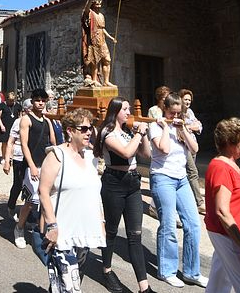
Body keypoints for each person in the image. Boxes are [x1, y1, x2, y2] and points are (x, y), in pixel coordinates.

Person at [38, 107, 106, 292]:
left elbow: (94, 193)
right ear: (70, 131)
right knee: (70, 287)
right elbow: (43, 191)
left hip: (84, 233)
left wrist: (101, 222)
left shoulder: (90, 157)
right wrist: (51, 226)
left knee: (65, 284)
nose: (88, 132)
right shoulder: (56, 155)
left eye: (90, 128)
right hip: (62, 233)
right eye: (83, 128)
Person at [94, 98, 154, 293]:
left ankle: (144, 287)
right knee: (111, 230)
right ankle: (107, 270)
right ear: (115, 111)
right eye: (125, 109)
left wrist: (143, 135)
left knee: (135, 234)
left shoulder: (128, 132)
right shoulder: (107, 133)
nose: (129, 112)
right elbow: (127, 152)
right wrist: (138, 133)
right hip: (114, 182)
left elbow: (146, 154)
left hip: (133, 183)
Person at [149, 93, 207, 288]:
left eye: (178, 113)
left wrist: (183, 130)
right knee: (168, 226)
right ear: (164, 109)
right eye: (172, 113)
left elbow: (195, 148)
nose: (175, 117)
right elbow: (163, 149)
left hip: (181, 179)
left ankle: (192, 272)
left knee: (193, 224)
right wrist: (166, 128)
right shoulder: (155, 126)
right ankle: (166, 270)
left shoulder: (180, 125)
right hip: (162, 177)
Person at [205, 118, 240, 293]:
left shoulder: (229, 164)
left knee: (219, 283)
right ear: (230, 142)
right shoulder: (222, 167)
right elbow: (222, 211)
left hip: (228, 233)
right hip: (227, 234)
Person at [13, 89, 56, 249]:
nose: (40, 103)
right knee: (31, 201)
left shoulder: (47, 121)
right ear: (32, 101)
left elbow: (52, 142)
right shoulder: (26, 119)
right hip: (32, 165)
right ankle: (19, 228)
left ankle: (42, 231)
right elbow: (24, 144)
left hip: (45, 165)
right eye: (37, 100)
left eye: (43, 100)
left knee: (46, 201)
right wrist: (31, 165)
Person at [3, 98, 32, 215]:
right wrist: (7, 161)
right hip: (19, 156)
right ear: (25, 110)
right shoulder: (18, 122)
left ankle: (28, 211)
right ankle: (11, 205)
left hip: (32, 157)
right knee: (18, 183)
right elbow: (10, 142)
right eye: (30, 109)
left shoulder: (39, 121)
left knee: (31, 184)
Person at [81, 0, 117, 87]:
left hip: (102, 40)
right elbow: (86, 9)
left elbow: (102, 28)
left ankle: (106, 81)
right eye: (97, 4)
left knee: (107, 60)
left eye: (100, 4)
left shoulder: (101, 15)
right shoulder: (90, 13)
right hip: (94, 39)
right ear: (93, 4)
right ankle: (94, 79)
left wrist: (111, 37)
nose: (99, 6)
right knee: (95, 61)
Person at [179, 88, 204, 214]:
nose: (188, 102)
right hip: (183, 145)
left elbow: (199, 126)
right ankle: (199, 202)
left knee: (187, 173)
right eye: (186, 99)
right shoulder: (178, 112)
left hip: (193, 144)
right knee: (193, 172)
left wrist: (189, 127)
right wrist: (189, 127)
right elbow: (179, 127)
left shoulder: (190, 112)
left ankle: (186, 200)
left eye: (189, 100)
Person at [0, 90, 17, 164]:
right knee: (4, 143)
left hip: (13, 126)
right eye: (10, 100)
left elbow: (20, 115)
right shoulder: (2, 105)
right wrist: (1, 125)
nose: (11, 102)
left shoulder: (17, 106)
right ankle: (3, 157)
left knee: (13, 143)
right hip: (5, 125)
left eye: (12, 100)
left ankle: (10, 157)